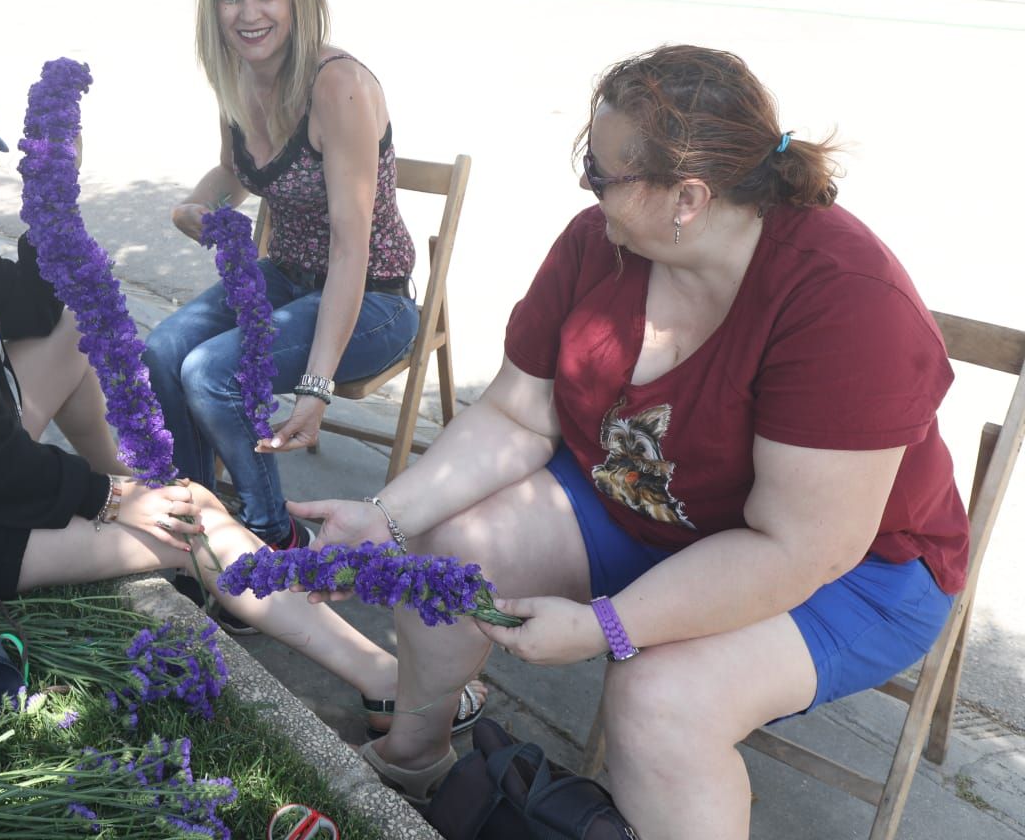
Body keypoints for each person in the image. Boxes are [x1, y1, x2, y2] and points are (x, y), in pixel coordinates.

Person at [297, 45, 967, 837]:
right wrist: (387, 516)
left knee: (656, 702)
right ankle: (414, 760)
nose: (587, 187)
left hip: (848, 569)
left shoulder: (848, 305)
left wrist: (605, 627)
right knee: (446, 543)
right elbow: (518, 413)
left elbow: (798, 549)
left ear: (687, 195)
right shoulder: (599, 243)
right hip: (654, 504)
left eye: (601, 171)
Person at [0, 76, 471, 741]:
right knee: (193, 524)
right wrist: (106, 499)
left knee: (75, 329)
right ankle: (384, 680)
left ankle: (160, 496)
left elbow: (37, 307)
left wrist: (53, 201)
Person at [142, 0, 422, 558]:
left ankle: (274, 536)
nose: (248, 14)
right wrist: (195, 207)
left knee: (212, 372)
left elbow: (353, 248)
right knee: (162, 350)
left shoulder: (339, 86)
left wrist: (316, 386)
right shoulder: (238, 73)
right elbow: (236, 172)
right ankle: (198, 520)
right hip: (287, 277)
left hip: (374, 302)